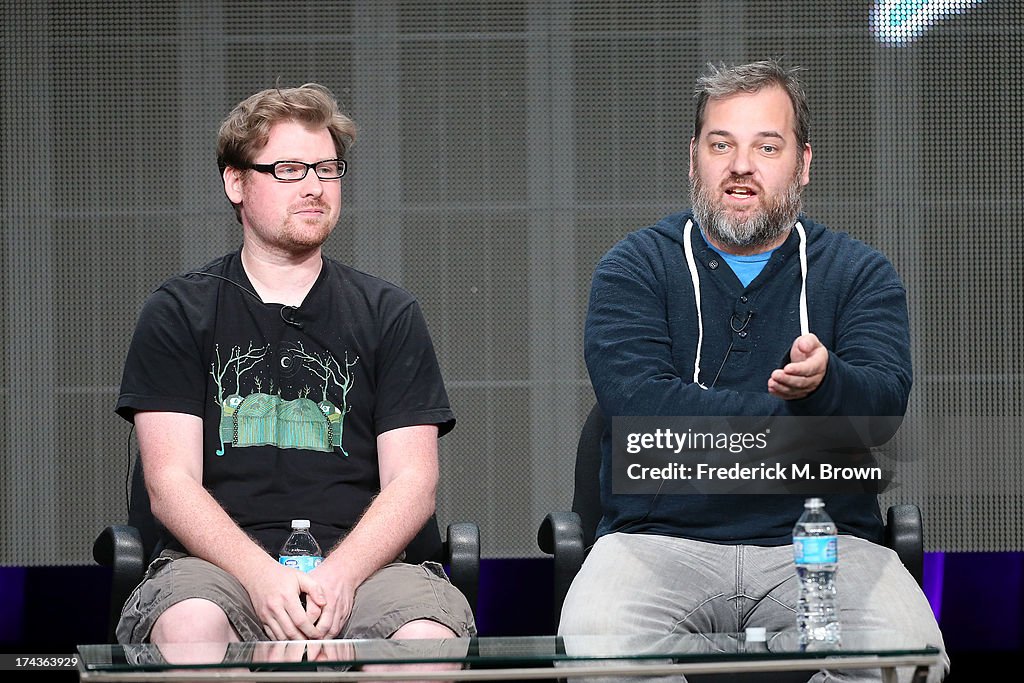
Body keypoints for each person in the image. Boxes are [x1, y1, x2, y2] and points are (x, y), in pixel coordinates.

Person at [559, 60, 947, 682]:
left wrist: (828, 385)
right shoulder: (633, 267)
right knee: (598, 647)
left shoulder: (860, 274)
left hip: (824, 545)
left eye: (767, 146)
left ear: (802, 164)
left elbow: (882, 411)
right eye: (722, 144)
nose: (742, 165)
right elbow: (640, 408)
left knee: (906, 657)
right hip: (658, 543)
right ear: (694, 159)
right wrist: (816, 426)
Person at [114, 83, 475, 647]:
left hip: (366, 568)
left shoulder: (388, 312)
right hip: (215, 568)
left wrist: (339, 575)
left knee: (426, 640)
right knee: (189, 627)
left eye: (327, 169)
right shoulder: (179, 310)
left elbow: (413, 482)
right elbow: (170, 483)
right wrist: (262, 578)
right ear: (236, 182)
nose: (313, 187)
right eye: (288, 169)